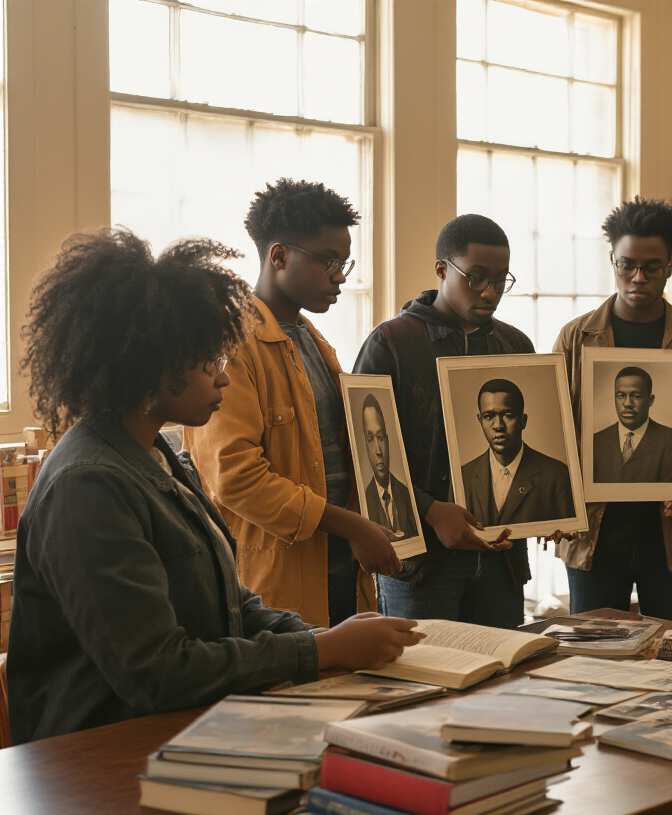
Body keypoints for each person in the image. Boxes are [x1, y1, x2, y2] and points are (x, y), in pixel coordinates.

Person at [8, 229, 423, 744]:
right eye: (209, 362)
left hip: (186, 730)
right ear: (149, 366)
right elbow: (156, 671)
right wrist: (322, 652)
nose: (224, 379)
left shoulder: (160, 456)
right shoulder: (87, 485)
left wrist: (319, 637)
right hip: (95, 754)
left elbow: (232, 603)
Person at [185, 179, 396, 628]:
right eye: (329, 262)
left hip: (339, 564)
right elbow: (235, 477)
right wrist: (352, 525)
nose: (341, 275)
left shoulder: (314, 342)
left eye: (345, 262)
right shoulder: (230, 345)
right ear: (279, 256)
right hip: (276, 579)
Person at [554, 196, 672, 624]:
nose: (638, 277)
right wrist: (550, 506)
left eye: (652, 267)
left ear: (670, 266)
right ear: (611, 260)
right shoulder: (575, 339)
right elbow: (552, 433)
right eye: (626, 264)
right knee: (593, 654)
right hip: (595, 530)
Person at [353, 214, 532, 629]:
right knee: (426, 684)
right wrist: (431, 510)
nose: (489, 291)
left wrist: (548, 510)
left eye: (501, 279)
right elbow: (363, 453)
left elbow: (531, 444)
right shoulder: (391, 343)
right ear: (441, 270)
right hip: (421, 564)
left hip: (500, 558)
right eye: (476, 277)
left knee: (501, 685)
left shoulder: (516, 344)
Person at [461, 378, 575, 526]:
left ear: (523, 421)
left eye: (508, 415)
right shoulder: (464, 476)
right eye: (488, 416)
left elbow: (569, 534)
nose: (498, 426)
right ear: (480, 420)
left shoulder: (556, 475)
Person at [591, 366, 672, 483]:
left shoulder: (671, 439)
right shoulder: (596, 441)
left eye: (636, 396)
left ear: (650, 400)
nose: (627, 404)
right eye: (621, 396)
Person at [361, 393, 420, 538]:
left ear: (387, 441)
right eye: (370, 439)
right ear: (365, 446)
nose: (378, 451)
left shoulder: (407, 494)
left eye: (380, 438)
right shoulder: (362, 502)